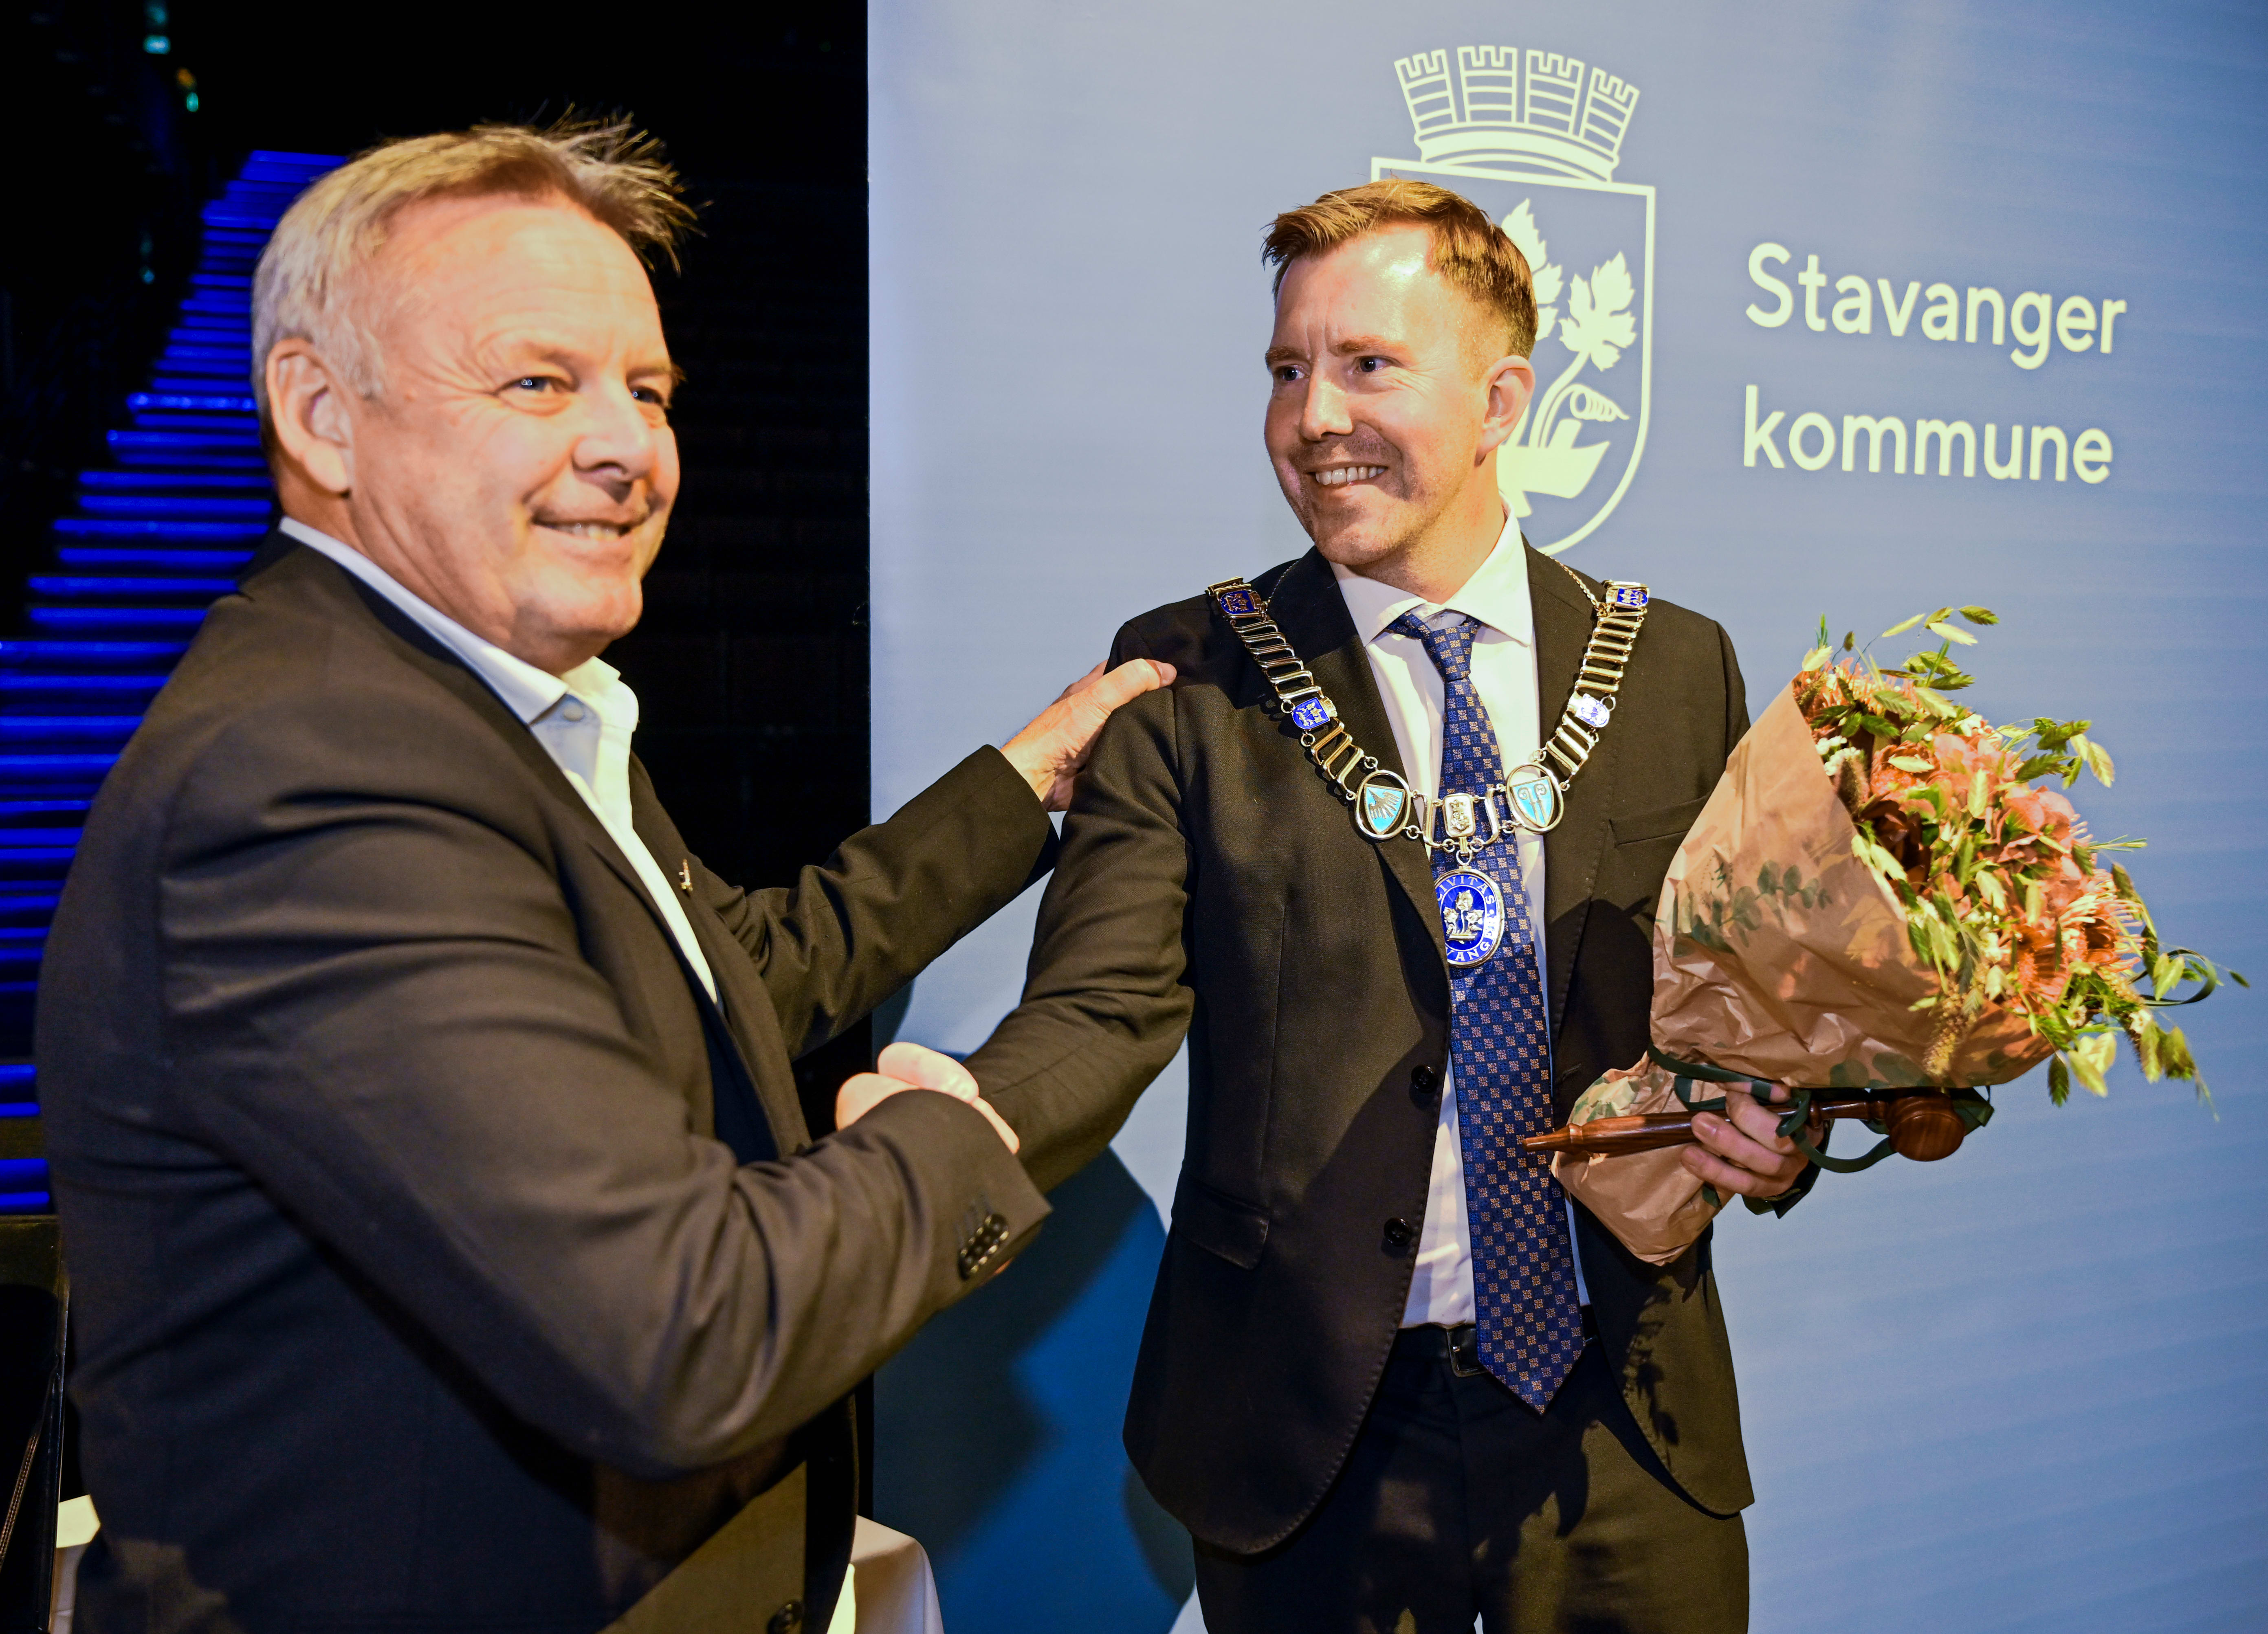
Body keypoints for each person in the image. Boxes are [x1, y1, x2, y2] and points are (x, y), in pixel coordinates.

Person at [36, 123, 1168, 1634]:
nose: (630, 447)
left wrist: (1024, 783)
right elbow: (683, 1330)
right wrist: (948, 1139)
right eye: (538, 383)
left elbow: (732, 978)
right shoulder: (318, 776)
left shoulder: (487, 710)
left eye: (649, 389)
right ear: (319, 415)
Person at [959, 180, 1821, 1632]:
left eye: (1368, 365)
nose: (1312, 417)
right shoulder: (1187, 674)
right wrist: (963, 1126)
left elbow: (1739, 1014)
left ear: (1501, 401)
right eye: (1287, 369)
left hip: (1627, 1419)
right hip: (1310, 1436)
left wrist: (1776, 1126)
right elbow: (1097, 1006)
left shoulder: (1680, 667)